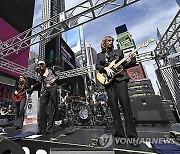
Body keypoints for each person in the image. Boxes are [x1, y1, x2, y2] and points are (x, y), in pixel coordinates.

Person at [96, 36, 139, 146]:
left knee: (126, 106)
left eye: (112, 41)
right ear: (104, 42)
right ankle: (120, 135)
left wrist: (133, 60)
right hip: (109, 82)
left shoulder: (118, 52)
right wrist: (106, 68)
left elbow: (125, 65)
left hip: (121, 79)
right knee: (114, 108)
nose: (111, 42)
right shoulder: (100, 55)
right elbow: (98, 65)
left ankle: (132, 136)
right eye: (109, 41)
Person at [31, 61, 59, 134]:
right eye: (39, 64)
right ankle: (41, 128)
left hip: (53, 87)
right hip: (44, 90)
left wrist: (53, 80)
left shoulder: (50, 70)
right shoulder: (40, 72)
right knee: (42, 107)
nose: (40, 65)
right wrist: (37, 73)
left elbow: (57, 76)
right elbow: (38, 81)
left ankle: (50, 129)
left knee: (51, 107)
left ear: (44, 64)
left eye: (42, 64)